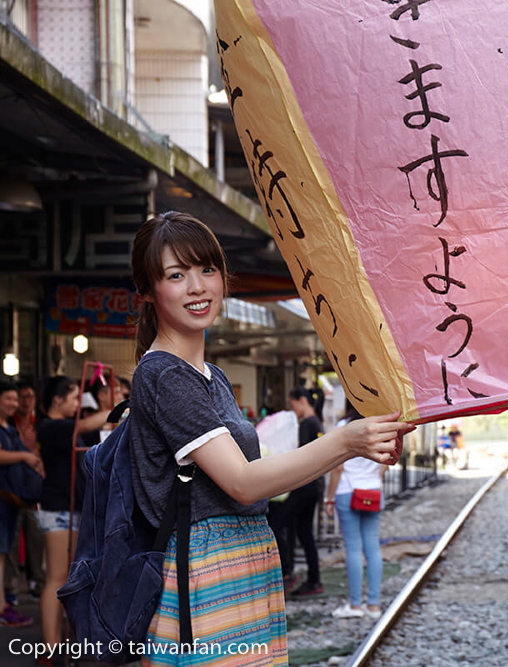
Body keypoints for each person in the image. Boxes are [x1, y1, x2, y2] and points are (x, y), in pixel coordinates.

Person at [129, 211, 412, 665]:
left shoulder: (212, 377)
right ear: (147, 292)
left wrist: (363, 440)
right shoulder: (164, 375)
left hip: (240, 560)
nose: (198, 286)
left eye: (207, 269)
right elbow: (242, 482)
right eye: (176, 275)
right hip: (203, 572)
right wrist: (346, 442)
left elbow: (260, 478)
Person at [36, 375, 110, 658]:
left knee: (65, 577)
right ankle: (50, 646)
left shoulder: (67, 429)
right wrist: (114, 409)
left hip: (70, 508)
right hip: (57, 509)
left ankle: (57, 643)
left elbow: (95, 429)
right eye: (74, 397)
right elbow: (84, 424)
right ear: (58, 400)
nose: (80, 403)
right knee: (55, 577)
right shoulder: (49, 427)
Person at [326, 401, 386, 620]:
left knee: (353, 548)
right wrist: (373, 480)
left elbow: (338, 467)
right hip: (372, 491)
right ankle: (374, 605)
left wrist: (329, 498)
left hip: (347, 491)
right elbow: (386, 462)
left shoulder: (344, 427)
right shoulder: (379, 426)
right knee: (373, 547)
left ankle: (355, 605)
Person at [0, 380, 42, 627]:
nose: (15, 404)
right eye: (9, 399)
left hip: (10, 501)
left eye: (16, 399)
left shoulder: (10, 428)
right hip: (3, 499)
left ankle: (4, 603)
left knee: (4, 554)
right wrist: (26, 456)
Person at [281, 387, 325, 597]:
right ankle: (314, 579)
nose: (293, 410)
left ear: (301, 401)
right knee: (305, 534)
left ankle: (287, 573)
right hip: (314, 486)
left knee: (276, 524)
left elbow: (302, 456)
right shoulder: (317, 421)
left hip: (304, 486)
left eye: (292, 405)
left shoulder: (307, 424)